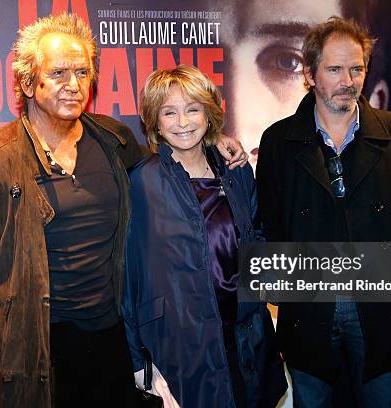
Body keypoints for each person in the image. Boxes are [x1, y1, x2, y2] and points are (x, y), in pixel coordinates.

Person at [0, 14, 247, 408]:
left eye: (82, 72)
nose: (73, 84)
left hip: (110, 341)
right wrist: (4, 332)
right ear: (28, 83)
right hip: (38, 352)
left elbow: (174, 163)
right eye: (59, 72)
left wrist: (219, 144)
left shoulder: (114, 141)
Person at [256, 16, 391, 408]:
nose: (347, 80)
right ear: (310, 74)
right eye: (334, 69)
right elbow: (267, 226)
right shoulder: (277, 142)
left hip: (381, 311)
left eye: (356, 69)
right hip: (309, 310)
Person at [122, 65, 287, 407]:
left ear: (209, 114)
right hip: (183, 346)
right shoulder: (139, 183)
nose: (183, 122)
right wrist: (138, 361)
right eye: (170, 112)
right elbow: (126, 278)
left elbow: (258, 244)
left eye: (193, 109)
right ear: (154, 121)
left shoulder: (237, 172)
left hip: (245, 340)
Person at [219, 0, 389, 168]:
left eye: (288, 62)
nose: (239, 134)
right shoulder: (275, 140)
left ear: (375, 103)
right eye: (216, 65)